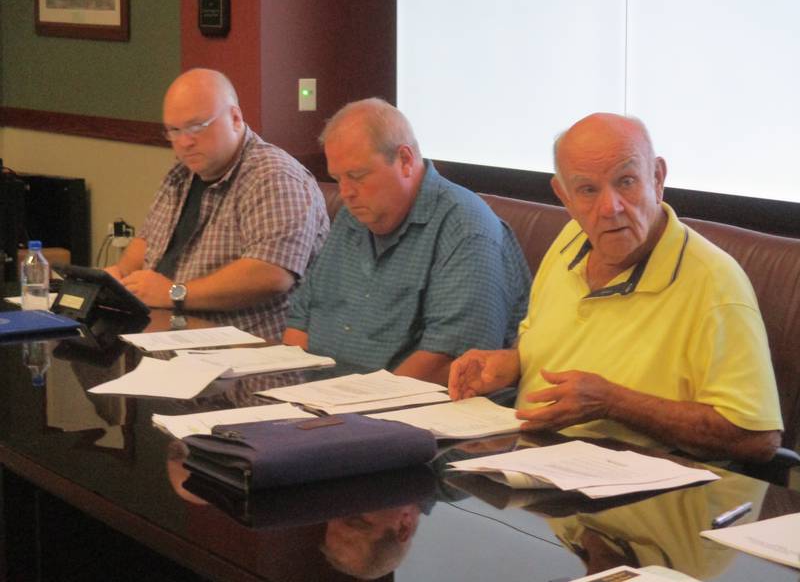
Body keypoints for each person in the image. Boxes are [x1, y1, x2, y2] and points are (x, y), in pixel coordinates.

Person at [448, 113, 783, 462]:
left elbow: (757, 438)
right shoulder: (569, 242)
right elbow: (552, 343)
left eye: (625, 182)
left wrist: (614, 403)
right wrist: (512, 364)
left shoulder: (714, 282)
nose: (610, 208)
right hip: (538, 471)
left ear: (657, 178)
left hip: (648, 495)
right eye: (588, 190)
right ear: (564, 195)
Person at [283, 98, 531, 384]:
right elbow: (301, 320)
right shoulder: (353, 217)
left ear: (405, 160)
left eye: (357, 176)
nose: (346, 192)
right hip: (324, 401)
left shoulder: (465, 228)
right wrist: (295, 390)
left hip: (409, 410)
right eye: (338, 179)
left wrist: (358, 406)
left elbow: (449, 360)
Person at [107, 68, 329, 340]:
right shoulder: (183, 173)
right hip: (170, 335)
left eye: (197, 127)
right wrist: (119, 277)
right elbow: (148, 241)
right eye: (174, 131)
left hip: (245, 351)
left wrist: (174, 292)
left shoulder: (274, 177)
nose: (185, 142)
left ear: (235, 118)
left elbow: (270, 274)